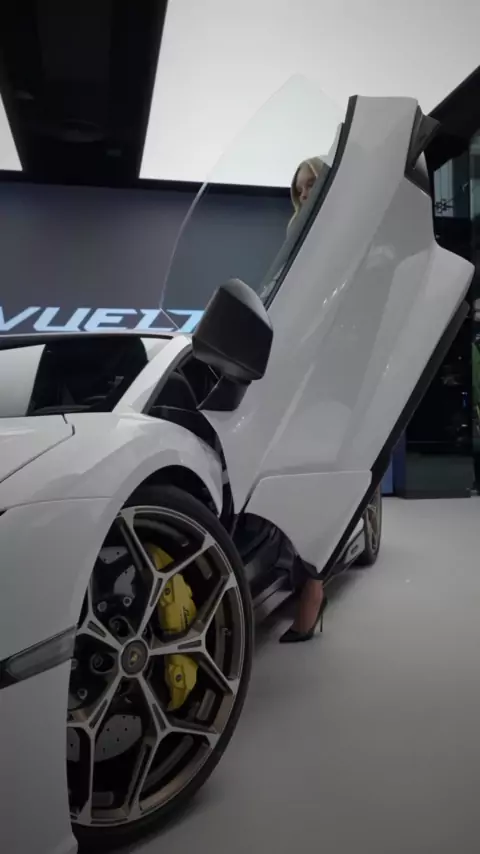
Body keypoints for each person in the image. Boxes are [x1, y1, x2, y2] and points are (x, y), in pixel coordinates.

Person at [279, 156, 329, 644]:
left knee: (315, 476)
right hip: (298, 365)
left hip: (331, 367)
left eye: (313, 183)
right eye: (301, 188)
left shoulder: (339, 230)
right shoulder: (298, 227)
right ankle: (306, 579)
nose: (307, 192)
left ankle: (313, 590)